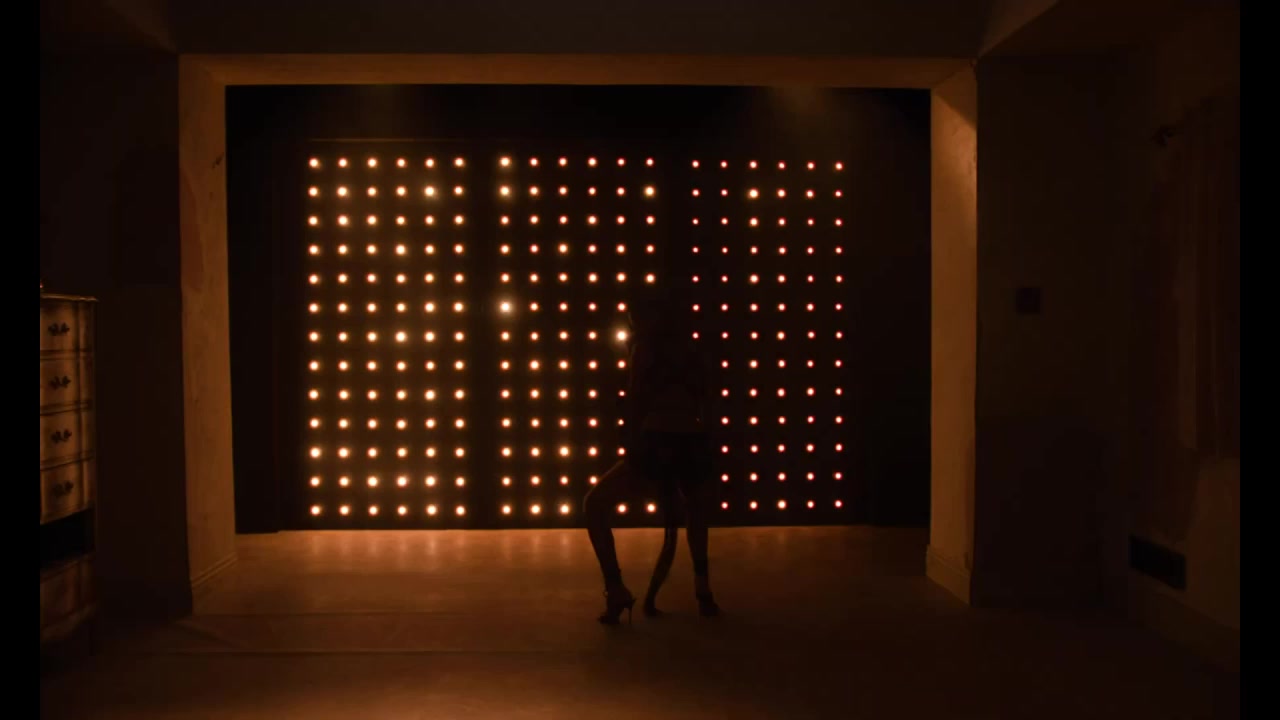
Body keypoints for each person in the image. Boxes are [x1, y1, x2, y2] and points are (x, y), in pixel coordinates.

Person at [583, 292, 720, 624]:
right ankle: (703, 590)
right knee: (695, 515)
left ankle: (616, 588)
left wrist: (632, 441)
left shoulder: (644, 349)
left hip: (657, 442)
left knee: (595, 504)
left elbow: (636, 400)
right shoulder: (692, 350)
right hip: (693, 441)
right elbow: (707, 401)